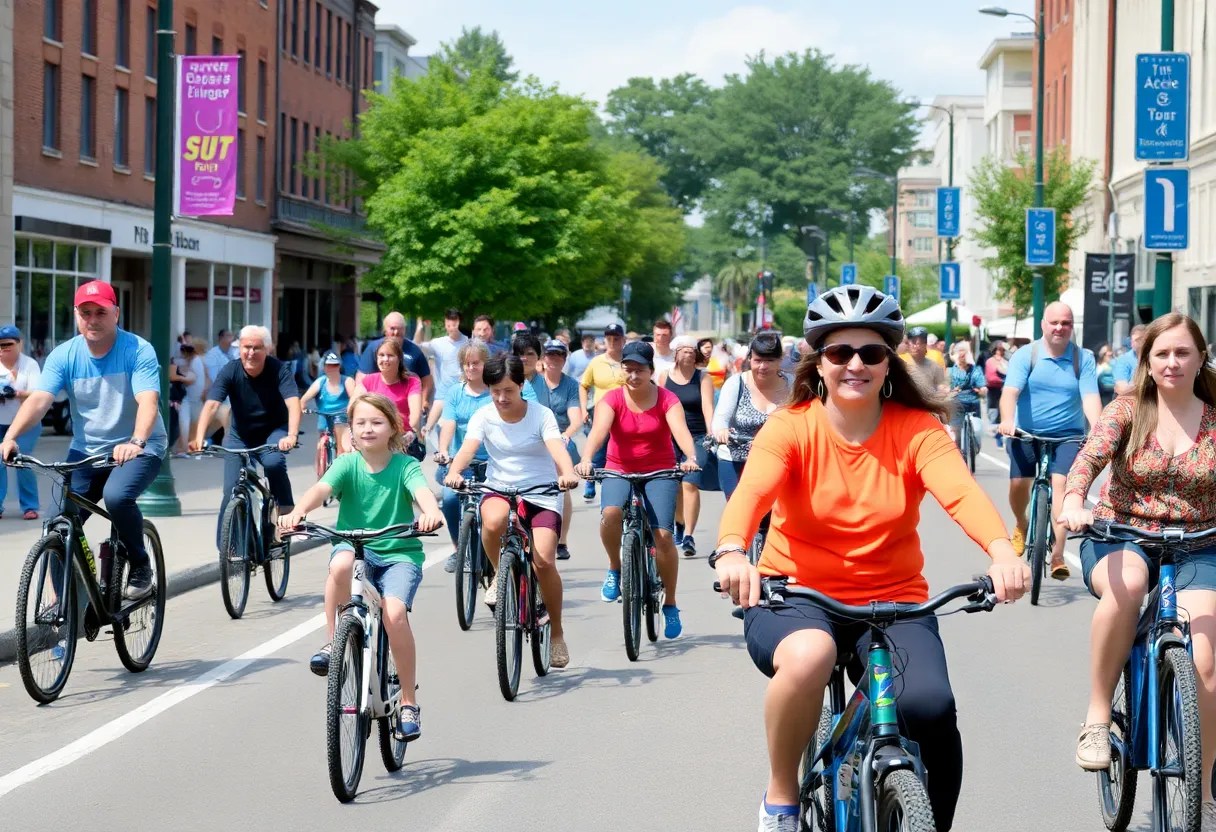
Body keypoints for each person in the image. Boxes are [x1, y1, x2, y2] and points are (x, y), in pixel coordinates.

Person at [713, 284, 1028, 832]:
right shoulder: (790, 427)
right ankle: (781, 800)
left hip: (894, 598)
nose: (855, 364)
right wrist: (733, 551)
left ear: (889, 364)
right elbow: (751, 495)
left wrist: (1002, 551)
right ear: (819, 363)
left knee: (929, 708)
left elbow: (960, 493)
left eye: (871, 353)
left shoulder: (917, 430)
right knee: (810, 656)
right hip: (793, 592)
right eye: (840, 353)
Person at [1058, 313, 1216, 823]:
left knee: (1207, 661)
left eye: (1183, 353)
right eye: (1162, 353)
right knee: (1126, 590)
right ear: (1147, 361)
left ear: (1200, 358)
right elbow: (1087, 460)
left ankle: (1204, 786)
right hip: (1121, 534)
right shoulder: (1127, 410)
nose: (1173, 362)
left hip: (1198, 544)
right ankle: (1099, 715)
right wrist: (1075, 500)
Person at [281, 393, 443, 742]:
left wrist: (430, 512)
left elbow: (422, 492)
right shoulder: (347, 463)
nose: (368, 429)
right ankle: (332, 641)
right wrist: (298, 512)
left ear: (393, 428)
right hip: (354, 547)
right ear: (350, 432)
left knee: (394, 613)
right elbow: (321, 487)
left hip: (399, 552)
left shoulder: (405, 466)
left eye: (377, 422)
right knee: (340, 565)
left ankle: (410, 704)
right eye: (360, 423)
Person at [0, 280, 168, 599]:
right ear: (77, 316)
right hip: (87, 453)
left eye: (100, 312)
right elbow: (38, 400)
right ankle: (64, 608)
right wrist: (10, 437)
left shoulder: (138, 350)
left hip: (139, 449)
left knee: (117, 497)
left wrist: (136, 441)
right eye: (85, 312)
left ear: (115, 314)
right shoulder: (65, 355)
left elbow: (148, 400)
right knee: (57, 523)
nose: (93, 319)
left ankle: (141, 563)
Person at [445, 355, 580, 666]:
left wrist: (567, 472)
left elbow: (557, 449)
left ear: (521, 386)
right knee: (491, 523)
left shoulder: (540, 415)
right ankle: (498, 574)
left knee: (544, 560)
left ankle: (557, 633)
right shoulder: (484, 416)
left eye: (508, 390)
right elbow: (467, 448)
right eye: (495, 391)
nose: (502, 398)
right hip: (500, 488)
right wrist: (455, 471)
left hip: (541, 492)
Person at [575, 341, 700, 637]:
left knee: (664, 536)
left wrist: (690, 457)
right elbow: (599, 431)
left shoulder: (667, 399)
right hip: (619, 467)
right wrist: (585, 459)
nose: (633, 376)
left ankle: (669, 603)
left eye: (639, 370)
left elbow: (680, 431)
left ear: (651, 371)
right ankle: (615, 568)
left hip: (660, 470)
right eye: (628, 370)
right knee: (610, 513)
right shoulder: (612, 400)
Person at [998, 301, 1102, 577]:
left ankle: (1057, 556)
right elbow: (1010, 393)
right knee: (1019, 484)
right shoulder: (1026, 355)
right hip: (1025, 433)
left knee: (1061, 484)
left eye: (1065, 323)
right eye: (1054, 322)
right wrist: (1007, 420)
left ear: (1071, 327)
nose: (1059, 327)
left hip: (1068, 436)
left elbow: (1090, 398)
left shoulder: (1083, 358)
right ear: (1043, 324)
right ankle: (1021, 523)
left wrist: (1099, 429)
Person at [190, 325, 301, 547]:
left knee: (274, 463)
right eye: (246, 347)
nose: (251, 353)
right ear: (239, 348)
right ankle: (228, 550)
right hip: (239, 434)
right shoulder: (230, 371)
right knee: (230, 489)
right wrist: (199, 437)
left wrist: (291, 435)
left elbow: (293, 403)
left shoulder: (279, 370)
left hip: (273, 433)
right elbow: (212, 404)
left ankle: (286, 510)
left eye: (257, 348)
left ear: (267, 349)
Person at [712, 332, 791, 498]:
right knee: (740, 512)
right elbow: (721, 417)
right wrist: (721, 431)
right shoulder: (736, 383)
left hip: (778, 459)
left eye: (770, 361)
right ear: (749, 359)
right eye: (758, 360)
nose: (763, 366)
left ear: (780, 360)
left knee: (779, 514)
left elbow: (806, 417)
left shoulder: (792, 384)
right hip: (736, 458)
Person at [657, 335, 717, 557]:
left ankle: (689, 536)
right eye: (684, 350)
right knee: (674, 484)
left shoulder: (703, 378)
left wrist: (712, 433)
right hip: (670, 437)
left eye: (692, 351)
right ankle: (679, 523)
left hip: (697, 437)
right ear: (675, 354)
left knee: (690, 482)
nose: (689, 354)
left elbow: (708, 407)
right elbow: (659, 407)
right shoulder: (665, 377)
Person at [530, 339, 583, 561]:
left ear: (564, 360)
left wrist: (566, 435)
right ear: (543, 359)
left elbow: (576, 418)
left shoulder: (571, 385)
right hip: (534, 439)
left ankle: (561, 540)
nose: (554, 360)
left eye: (559, 356)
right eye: (550, 356)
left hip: (560, 439)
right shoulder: (533, 382)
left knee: (563, 486)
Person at [578, 324, 627, 503]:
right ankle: (591, 477)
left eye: (616, 339)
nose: (612, 342)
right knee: (599, 444)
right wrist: (584, 409)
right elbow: (584, 386)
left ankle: (619, 478)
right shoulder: (597, 362)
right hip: (601, 410)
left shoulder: (629, 361)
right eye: (609, 339)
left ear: (623, 340)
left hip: (626, 412)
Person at [0, 326, 42, 519]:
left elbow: (38, 393)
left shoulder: (29, 365)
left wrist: (16, 394)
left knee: (22, 461)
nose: (4, 349)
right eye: (0, 345)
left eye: (8, 344)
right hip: (1, 422)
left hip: (26, 423)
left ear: (19, 344)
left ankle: (30, 506)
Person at [356, 312, 434, 407]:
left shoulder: (414, 351)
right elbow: (362, 377)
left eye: (399, 328)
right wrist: (363, 400)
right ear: (385, 330)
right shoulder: (373, 348)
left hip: (408, 403)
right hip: (379, 402)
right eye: (392, 328)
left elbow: (427, 378)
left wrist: (423, 399)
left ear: (404, 329)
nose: (396, 332)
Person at [354, 337, 423, 443]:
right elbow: (353, 407)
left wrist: (412, 431)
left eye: (390, 355)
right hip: (373, 436)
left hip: (401, 437)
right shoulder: (368, 381)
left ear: (399, 359)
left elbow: (415, 414)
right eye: (381, 355)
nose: (385, 359)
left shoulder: (412, 382)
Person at [300, 351, 355, 456]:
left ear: (339, 366)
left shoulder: (347, 381)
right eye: (329, 365)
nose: (332, 368)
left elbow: (354, 398)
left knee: (344, 448)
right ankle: (321, 466)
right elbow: (304, 399)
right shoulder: (320, 382)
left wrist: (351, 408)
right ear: (324, 367)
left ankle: (341, 461)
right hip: (324, 418)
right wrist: (303, 406)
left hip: (343, 418)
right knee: (321, 445)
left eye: (335, 365)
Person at [414, 308, 468, 394]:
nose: (452, 327)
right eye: (449, 323)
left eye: (454, 323)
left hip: (462, 393)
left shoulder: (468, 343)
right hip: (442, 395)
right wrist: (419, 327)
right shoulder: (438, 343)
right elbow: (417, 346)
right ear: (445, 324)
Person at [948, 341, 986, 458]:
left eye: (964, 352)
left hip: (972, 402)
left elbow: (981, 385)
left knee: (977, 429)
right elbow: (945, 386)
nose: (962, 355)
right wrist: (948, 391)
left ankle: (975, 446)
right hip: (956, 402)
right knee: (955, 430)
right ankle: (956, 452)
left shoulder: (975, 370)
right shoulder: (951, 371)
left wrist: (982, 390)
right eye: (960, 352)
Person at [174, 339, 206, 457]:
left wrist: (179, 377)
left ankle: (186, 449)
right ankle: (185, 449)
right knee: (189, 424)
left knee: (188, 425)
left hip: (192, 399)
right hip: (191, 399)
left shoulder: (195, 362)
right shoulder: (196, 361)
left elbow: (190, 379)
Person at [902, 326, 948, 392]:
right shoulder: (900, 361)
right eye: (914, 342)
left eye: (921, 342)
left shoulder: (935, 361)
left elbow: (942, 385)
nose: (917, 346)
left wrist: (943, 389)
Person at [984, 341, 1008, 448]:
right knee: (993, 413)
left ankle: (1000, 437)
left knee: (1003, 413)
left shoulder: (1006, 361)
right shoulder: (990, 361)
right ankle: (997, 434)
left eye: (1003, 350)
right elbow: (991, 375)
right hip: (993, 389)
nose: (1001, 352)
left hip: (1004, 389)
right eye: (999, 350)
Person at [1111, 324, 1146, 396]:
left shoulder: (1153, 357)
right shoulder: (1123, 360)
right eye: (1133, 340)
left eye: (1138, 340)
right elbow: (1122, 389)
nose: (1134, 343)